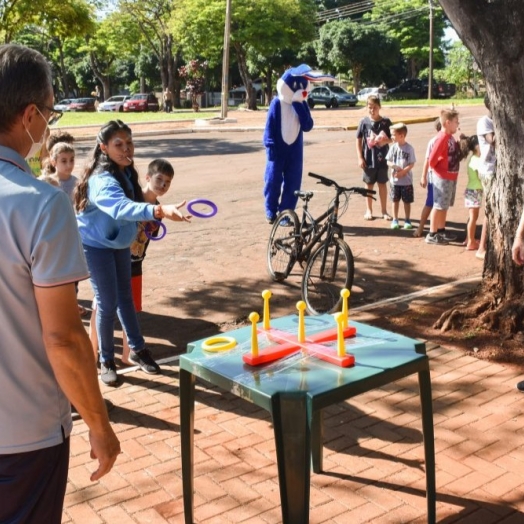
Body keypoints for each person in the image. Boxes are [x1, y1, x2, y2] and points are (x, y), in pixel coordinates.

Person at [0, 43, 120, 524]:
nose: (49, 124)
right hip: (23, 438)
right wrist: (99, 423)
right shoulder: (41, 205)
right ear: (30, 116)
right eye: (49, 113)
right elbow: (65, 338)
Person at [75, 119, 191, 386]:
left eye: (129, 143)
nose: (127, 149)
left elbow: (139, 198)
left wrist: (155, 207)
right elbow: (121, 208)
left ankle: (138, 350)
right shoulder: (102, 180)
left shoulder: (126, 171)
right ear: (103, 147)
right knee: (107, 302)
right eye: (119, 144)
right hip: (97, 245)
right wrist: (159, 211)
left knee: (125, 297)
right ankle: (106, 360)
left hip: (118, 243)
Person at [89, 158, 176, 365]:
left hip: (135, 265)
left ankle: (129, 355)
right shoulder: (133, 199)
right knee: (102, 307)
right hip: (113, 260)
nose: (163, 185)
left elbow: (143, 242)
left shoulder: (159, 210)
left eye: (168, 182)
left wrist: (150, 227)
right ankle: (94, 353)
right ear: (147, 177)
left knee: (131, 308)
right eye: (159, 179)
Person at [425, 109, 461, 245]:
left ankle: (441, 230)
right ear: (447, 123)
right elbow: (432, 160)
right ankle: (432, 233)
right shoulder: (441, 138)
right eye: (456, 122)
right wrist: (440, 168)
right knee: (438, 205)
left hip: (450, 176)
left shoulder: (450, 137)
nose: (457, 124)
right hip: (442, 177)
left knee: (444, 205)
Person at [356, 94, 393, 221]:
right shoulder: (363, 122)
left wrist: (385, 141)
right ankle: (369, 210)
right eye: (370, 107)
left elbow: (393, 138)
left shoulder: (386, 122)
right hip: (368, 159)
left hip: (382, 159)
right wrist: (360, 157)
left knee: (382, 184)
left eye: (375, 107)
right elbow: (358, 140)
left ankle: (384, 211)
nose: (372, 110)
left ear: (380, 107)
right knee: (369, 185)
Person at [476, 94, 496, 260]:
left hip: (496, 170)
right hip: (488, 170)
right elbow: (492, 140)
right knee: (490, 209)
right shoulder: (485, 122)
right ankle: (482, 247)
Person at [414, 118, 441, 238]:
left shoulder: (450, 140)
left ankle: (439, 228)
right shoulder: (433, 141)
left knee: (440, 204)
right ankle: (421, 227)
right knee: (430, 202)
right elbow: (427, 160)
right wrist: (423, 176)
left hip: (444, 177)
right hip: (433, 177)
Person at [386, 123, 416, 230]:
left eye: (393, 135)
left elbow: (412, 163)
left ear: (402, 135)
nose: (392, 137)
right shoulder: (393, 148)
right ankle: (395, 219)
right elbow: (388, 161)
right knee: (395, 200)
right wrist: (393, 165)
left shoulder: (409, 148)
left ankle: (407, 219)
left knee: (407, 201)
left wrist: (403, 172)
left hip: (406, 181)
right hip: (395, 181)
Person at [463, 135, 483, 251]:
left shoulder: (472, 158)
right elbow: (481, 175)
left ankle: (468, 238)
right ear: (476, 147)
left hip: (472, 189)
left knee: (472, 217)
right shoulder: (476, 159)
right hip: (474, 190)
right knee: (473, 217)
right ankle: (471, 242)